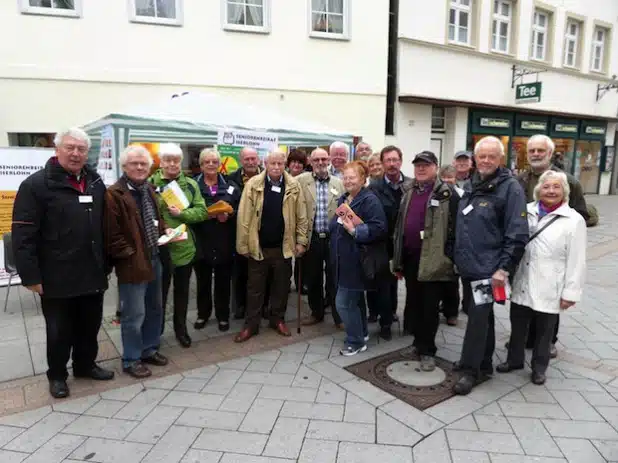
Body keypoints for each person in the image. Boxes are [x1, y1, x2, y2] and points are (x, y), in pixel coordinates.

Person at [12, 127, 114, 398]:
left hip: (92, 271)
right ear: (56, 150)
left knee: (90, 325)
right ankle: (57, 375)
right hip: (56, 274)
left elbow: (104, 225)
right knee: (59, 330)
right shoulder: (35, 185)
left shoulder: (95, 181)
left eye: (81, 149)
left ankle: (85, 365)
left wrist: (108, 262)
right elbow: (23, 235)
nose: (76, 153)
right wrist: (31, 276)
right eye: (70, 147)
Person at [452, 136, 529, 395]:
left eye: (491, 156)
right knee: (483, 317)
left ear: (500, 159)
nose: (485, 160)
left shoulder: (511, 188)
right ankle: (484, 363)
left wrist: (503, 269)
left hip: (489, 270)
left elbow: (517, 233)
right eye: (481, 156)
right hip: (468, 266)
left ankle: (469, 371)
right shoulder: (473, 183)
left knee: (477, 319)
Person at [498, 170, 586, 385]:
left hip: (551, 284)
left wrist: (571, 292)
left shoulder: (573, 220)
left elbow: (577, 260)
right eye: (546, 187)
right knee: (517, 324)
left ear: (564, 191)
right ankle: (514, 360)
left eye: (556, 187)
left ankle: (539, 367)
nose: (551, 191)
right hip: (524, 278)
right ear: (539, 190)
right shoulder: (525, 211)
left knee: (544, 331)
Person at [514, 134, 589, 358]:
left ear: (550, 153)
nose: (536, 154)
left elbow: (581, 214)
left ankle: (548, 342)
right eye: (532, 151)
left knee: (549, 302)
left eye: (540, 151)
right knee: (524, 300)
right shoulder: (520, 179)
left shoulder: (569, 181)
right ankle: (522, 339)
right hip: (528, 249)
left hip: (554, 248)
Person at [104, 145, 171, 379]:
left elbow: (154, 219)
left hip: (154, 256)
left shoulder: (149, 189)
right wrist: (130, 254)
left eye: (144, 163)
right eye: (135, 163)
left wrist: (165, 230)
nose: (140, 167)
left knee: (155, 308)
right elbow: (112, 234)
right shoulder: (114, 194)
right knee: (134, 314)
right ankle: (131, 359)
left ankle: (149, 349)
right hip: (133, 262)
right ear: (124, 166)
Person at [391, 152, 459, 371]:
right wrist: (398, 260)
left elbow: (456, 228)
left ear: (436, 167)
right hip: (411, 257)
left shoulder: (447, 193)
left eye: (426, 165)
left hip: (434, 260)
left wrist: (450, 257)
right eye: (418, 165)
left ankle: (428, 351)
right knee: (416, 304)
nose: (421, 169)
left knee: (430, 307)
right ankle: (417, 343)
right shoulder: (408, 190)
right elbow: (400, 225)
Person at [234, 150, 308, 342]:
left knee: (281, 287)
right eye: (272, 163)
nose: (276, 167)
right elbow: (244, 217)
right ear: (265, 163)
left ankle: (277, 319)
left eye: (280, 164)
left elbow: (302, 216)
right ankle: (251, 325)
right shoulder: (253, 185)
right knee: (254, 288)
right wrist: (243, 245)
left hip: (283, 247)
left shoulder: (293, 185)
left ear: (285, 165)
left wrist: (301, 241)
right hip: (258, 247)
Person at [150, 143, 207, 348]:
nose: (172, 164)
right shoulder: (149, 184)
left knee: (182, 292)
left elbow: (202, 212)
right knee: (158, 296)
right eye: (168, 160)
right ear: (161, 162)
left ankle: (181, 329)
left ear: (180, 162)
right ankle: (155, 333)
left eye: (176, 160)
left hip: (184, 248)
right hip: (159, 249)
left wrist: (181, 214)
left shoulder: (190, 184)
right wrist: (161, 226)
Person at [330, 161, 387, 355]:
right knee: (355, 301)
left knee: (343, 303)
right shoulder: (344, 200)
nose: (347, 181)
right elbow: (337, 224)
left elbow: (379, 228)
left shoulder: (370, 200)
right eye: (345, 177)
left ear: (363, 179)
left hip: (357, 261)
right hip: (344, 260)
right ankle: (361, 333)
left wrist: (356, 231)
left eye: (352, 177)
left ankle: (354, 341)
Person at [193, 149, 240, 332]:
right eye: (207, 162)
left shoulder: (230, 185)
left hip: (223, 241)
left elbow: (238, 210)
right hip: (202, 241)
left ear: (219, 164)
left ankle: (222, 316)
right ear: (201, 165)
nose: (211, 165)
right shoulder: (193, 186)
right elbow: (187, 211)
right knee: (202, 281)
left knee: (223, 282)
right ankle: (202, 314)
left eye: (214, 161)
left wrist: (229, 216)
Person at [297, 148, 345, 328]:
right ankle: (316, 313)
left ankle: (338, 315)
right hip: (313, 237)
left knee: (335, 278)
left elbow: (345, 207)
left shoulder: (339, 183)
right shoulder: (301, 181)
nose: (320, 163)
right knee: (313, 278)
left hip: (334, 239)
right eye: (316, 159)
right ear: (310, 161)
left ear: (329, 160)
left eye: (324, 159)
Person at [368, 145, 412, 338]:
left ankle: (410, 323)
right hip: (384, 245)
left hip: (407, 244)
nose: (392, 164)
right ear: (383, 163)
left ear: (401, 161)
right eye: (388, 160)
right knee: (385, 286)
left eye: (395, 160)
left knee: (412, 286)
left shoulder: (411, 185)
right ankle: (385, 323)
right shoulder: (374, 187)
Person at [226, 147, 264, 320]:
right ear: (241, 161)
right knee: (240, 273)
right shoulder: (230, 179)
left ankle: (261, 306)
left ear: (258, 159)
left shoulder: (267, 176)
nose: (250, 162)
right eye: (246, 159)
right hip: (239, 231)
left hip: (262, 233)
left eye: (253, 158)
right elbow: (227, 202)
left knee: (261, 273)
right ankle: (240, 306)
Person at [437, 164, 462, 326]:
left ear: (456, 179)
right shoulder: (437, 194)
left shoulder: (461, 196)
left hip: (454, 241)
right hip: (439, 240)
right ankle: (441, 305)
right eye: (444, 178)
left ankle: (451, 312)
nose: (447, 181)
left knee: (452, 280)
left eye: (450, 178)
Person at [287, 149, 309, 294]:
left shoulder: (307, 180)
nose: (296, 165)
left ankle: (301, 283)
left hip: (302, 221)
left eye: (300, 162)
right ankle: (286, 282)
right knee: (286, 255)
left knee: (302, 256)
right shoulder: (283, 178)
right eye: (294, 161)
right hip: (288, 222)